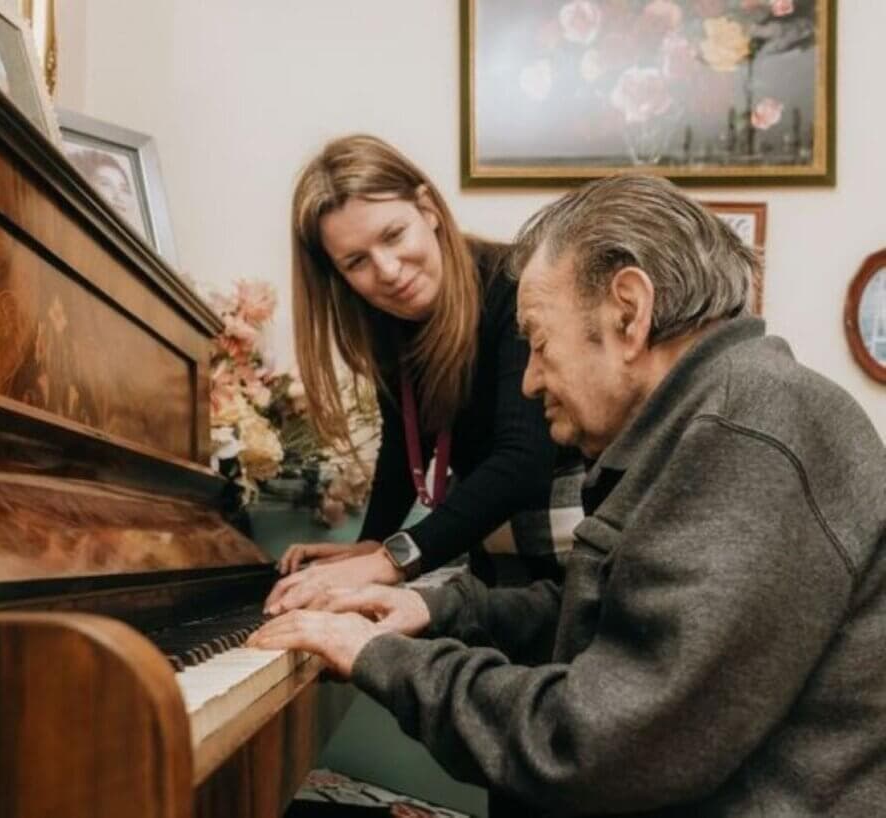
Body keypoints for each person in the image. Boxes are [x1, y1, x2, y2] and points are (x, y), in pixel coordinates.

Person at [249, 175, 886, 816]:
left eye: (538, 341)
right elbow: (605, 615)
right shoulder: (710, 417)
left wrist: (379, 657)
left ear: (628, 313)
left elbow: (594, 747)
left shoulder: (751, 434)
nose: (526, 381)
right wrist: (435, 610)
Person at [265, 135, 583, 614]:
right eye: (356, 262)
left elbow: (523, 462)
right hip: (501, 570)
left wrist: (388, 560)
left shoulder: (515, 284)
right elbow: (404, 447)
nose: (388, 271)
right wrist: (370, 543)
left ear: (428, 208)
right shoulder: (392, 323)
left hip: (573, 565)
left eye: (393, 235)